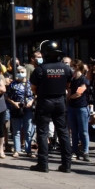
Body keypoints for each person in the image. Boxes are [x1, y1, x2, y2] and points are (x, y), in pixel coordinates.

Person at [29, 40, 73, 173]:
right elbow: (68, 86)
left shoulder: (40, 69)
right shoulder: (66, 68)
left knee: (42, 133)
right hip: (60, 101)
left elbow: (33, 89)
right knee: (63, 132)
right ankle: (67, 165)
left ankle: (43, 164)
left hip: (45, 101)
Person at [7, 66, 35, 158]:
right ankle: (17, 150)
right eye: (18, 72)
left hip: (28, 109)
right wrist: (13, 103)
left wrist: (31, 101)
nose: (20, 73)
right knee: (16, 131)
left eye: (22, 71)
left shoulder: (31, 83)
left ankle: (28, 150)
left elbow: (36, 94)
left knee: (28, 131)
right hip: (16, 109)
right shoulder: (13, 84)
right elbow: (7, 96)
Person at [67, 59, 91, 162]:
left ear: (79, 67)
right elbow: (69, 90)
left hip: (81, 107)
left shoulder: (84, 79)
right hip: (72, 107)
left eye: (74, 66)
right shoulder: (72, 79)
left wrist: (69, 97)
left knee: (83, 131)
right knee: (74, 131)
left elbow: (79, 93)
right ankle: (75, 151)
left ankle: (85, 152)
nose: (73, 68)